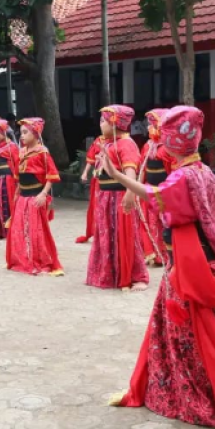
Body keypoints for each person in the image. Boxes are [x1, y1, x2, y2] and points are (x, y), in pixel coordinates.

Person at [104, 106, 215, 429]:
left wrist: (118, 177)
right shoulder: (205, 173)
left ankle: (195, 395)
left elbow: (151, 193)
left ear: (172, 143)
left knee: (185, 332)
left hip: (186, 268)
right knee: (198, 330)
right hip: (203, 264)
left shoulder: (181, 178)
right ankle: (207, 390)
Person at [85, 105, 149, 291]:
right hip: (106, 197)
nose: (100, 124)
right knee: (107, 234)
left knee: (126, 234)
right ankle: (109, 273)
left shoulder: (126, 144)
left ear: (114, 123)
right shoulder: (108, 143)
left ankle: (136, 276)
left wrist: (130, 194)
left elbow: (131, 172)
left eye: (103, 121)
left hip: (120, 196)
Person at [6, 118, 63, 276]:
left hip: (35, 195)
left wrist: (43, 194)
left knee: (36, 230)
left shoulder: (42, 152)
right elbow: (19, 175)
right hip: (23, 196)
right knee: (19, 228)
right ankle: (23, 258)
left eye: (25, 133)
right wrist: (17, 193)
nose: (21, 136)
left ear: (36, 133)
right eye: (21, 133)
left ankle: (40, 260)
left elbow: (52, 175)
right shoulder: (22, 152)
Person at [138, 108, 173, 266]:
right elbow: (142, 168)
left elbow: (172, 171)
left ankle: (165, 255)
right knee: (150, 224)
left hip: (164, 192)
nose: (147, 128)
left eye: (151, 125)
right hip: (149, 190)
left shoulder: (168, 148)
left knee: (164, 224)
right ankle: (153, 254)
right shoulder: (147, 146)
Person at [0, 118, 19, 239]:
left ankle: (9, 228)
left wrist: (17, 179)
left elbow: (16, 163)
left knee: (7, 201)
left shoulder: (12, 147)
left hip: (8, 178)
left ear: (4, 132)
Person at [76, 135, 103, 244]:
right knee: (96, 205)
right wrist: (85, 173)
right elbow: (91, 159)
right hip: (98, 178)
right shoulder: (98, 140)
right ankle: (97, 232)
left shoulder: (120, 141)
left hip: (112, 179)